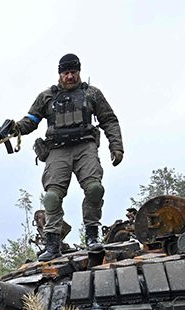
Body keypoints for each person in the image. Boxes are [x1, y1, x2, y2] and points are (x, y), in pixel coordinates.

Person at [12, 53, 124, 261]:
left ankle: (92, 235)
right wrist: (15, 128)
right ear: (60, 74)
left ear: (79, 72)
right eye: (66, 73)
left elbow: (109, 120)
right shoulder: (47, 97)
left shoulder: (92, 94)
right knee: (52, 196)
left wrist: (116, 146)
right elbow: (31, 120)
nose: (70, 77)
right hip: (57, 149)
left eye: (74, 72)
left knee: (94, 188)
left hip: (85, 146)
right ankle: (53, 243)